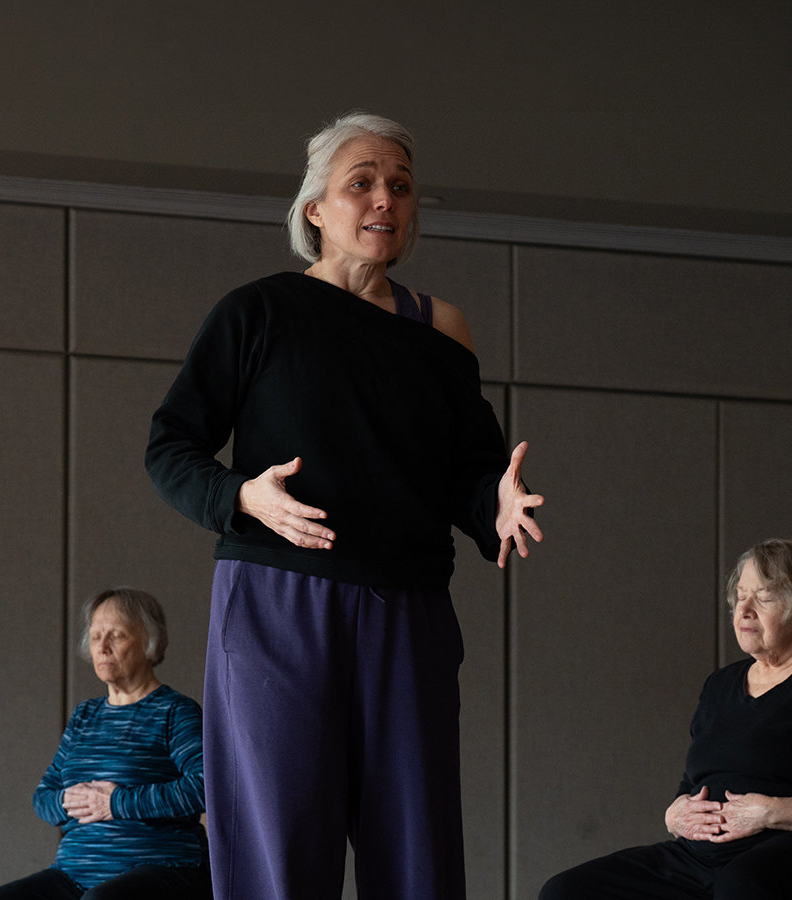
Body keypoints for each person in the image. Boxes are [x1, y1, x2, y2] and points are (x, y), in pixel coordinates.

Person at [145, 111, 546, 900]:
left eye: (399, 185)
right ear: (315, 211)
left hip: (411, 613)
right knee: (280, 855)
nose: (384, 200)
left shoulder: (444, 329)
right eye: (360, 182)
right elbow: (170, 448)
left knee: (418, 858)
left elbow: (469, 471)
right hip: (276, 605)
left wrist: (494, 505)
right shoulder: (257, 312)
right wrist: (241, 496)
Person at [540, 538, 792, 900]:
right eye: (740, 596)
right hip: (704, 860)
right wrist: (675, 814)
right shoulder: (720, 685)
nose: (743, 610)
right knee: (565, 892)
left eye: (763, 597)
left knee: (741, 884)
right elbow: (697, 780)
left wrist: (772, 812)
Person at [0, 588, 209, 900]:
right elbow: (43, 798)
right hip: (74, 873)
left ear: (148, 641)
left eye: (116, 635)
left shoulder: (174, 711)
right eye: (95, 635)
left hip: (161, 865)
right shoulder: (85, 715)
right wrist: (67, 801)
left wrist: (116, 803)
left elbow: (205, 787)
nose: (102, 647)